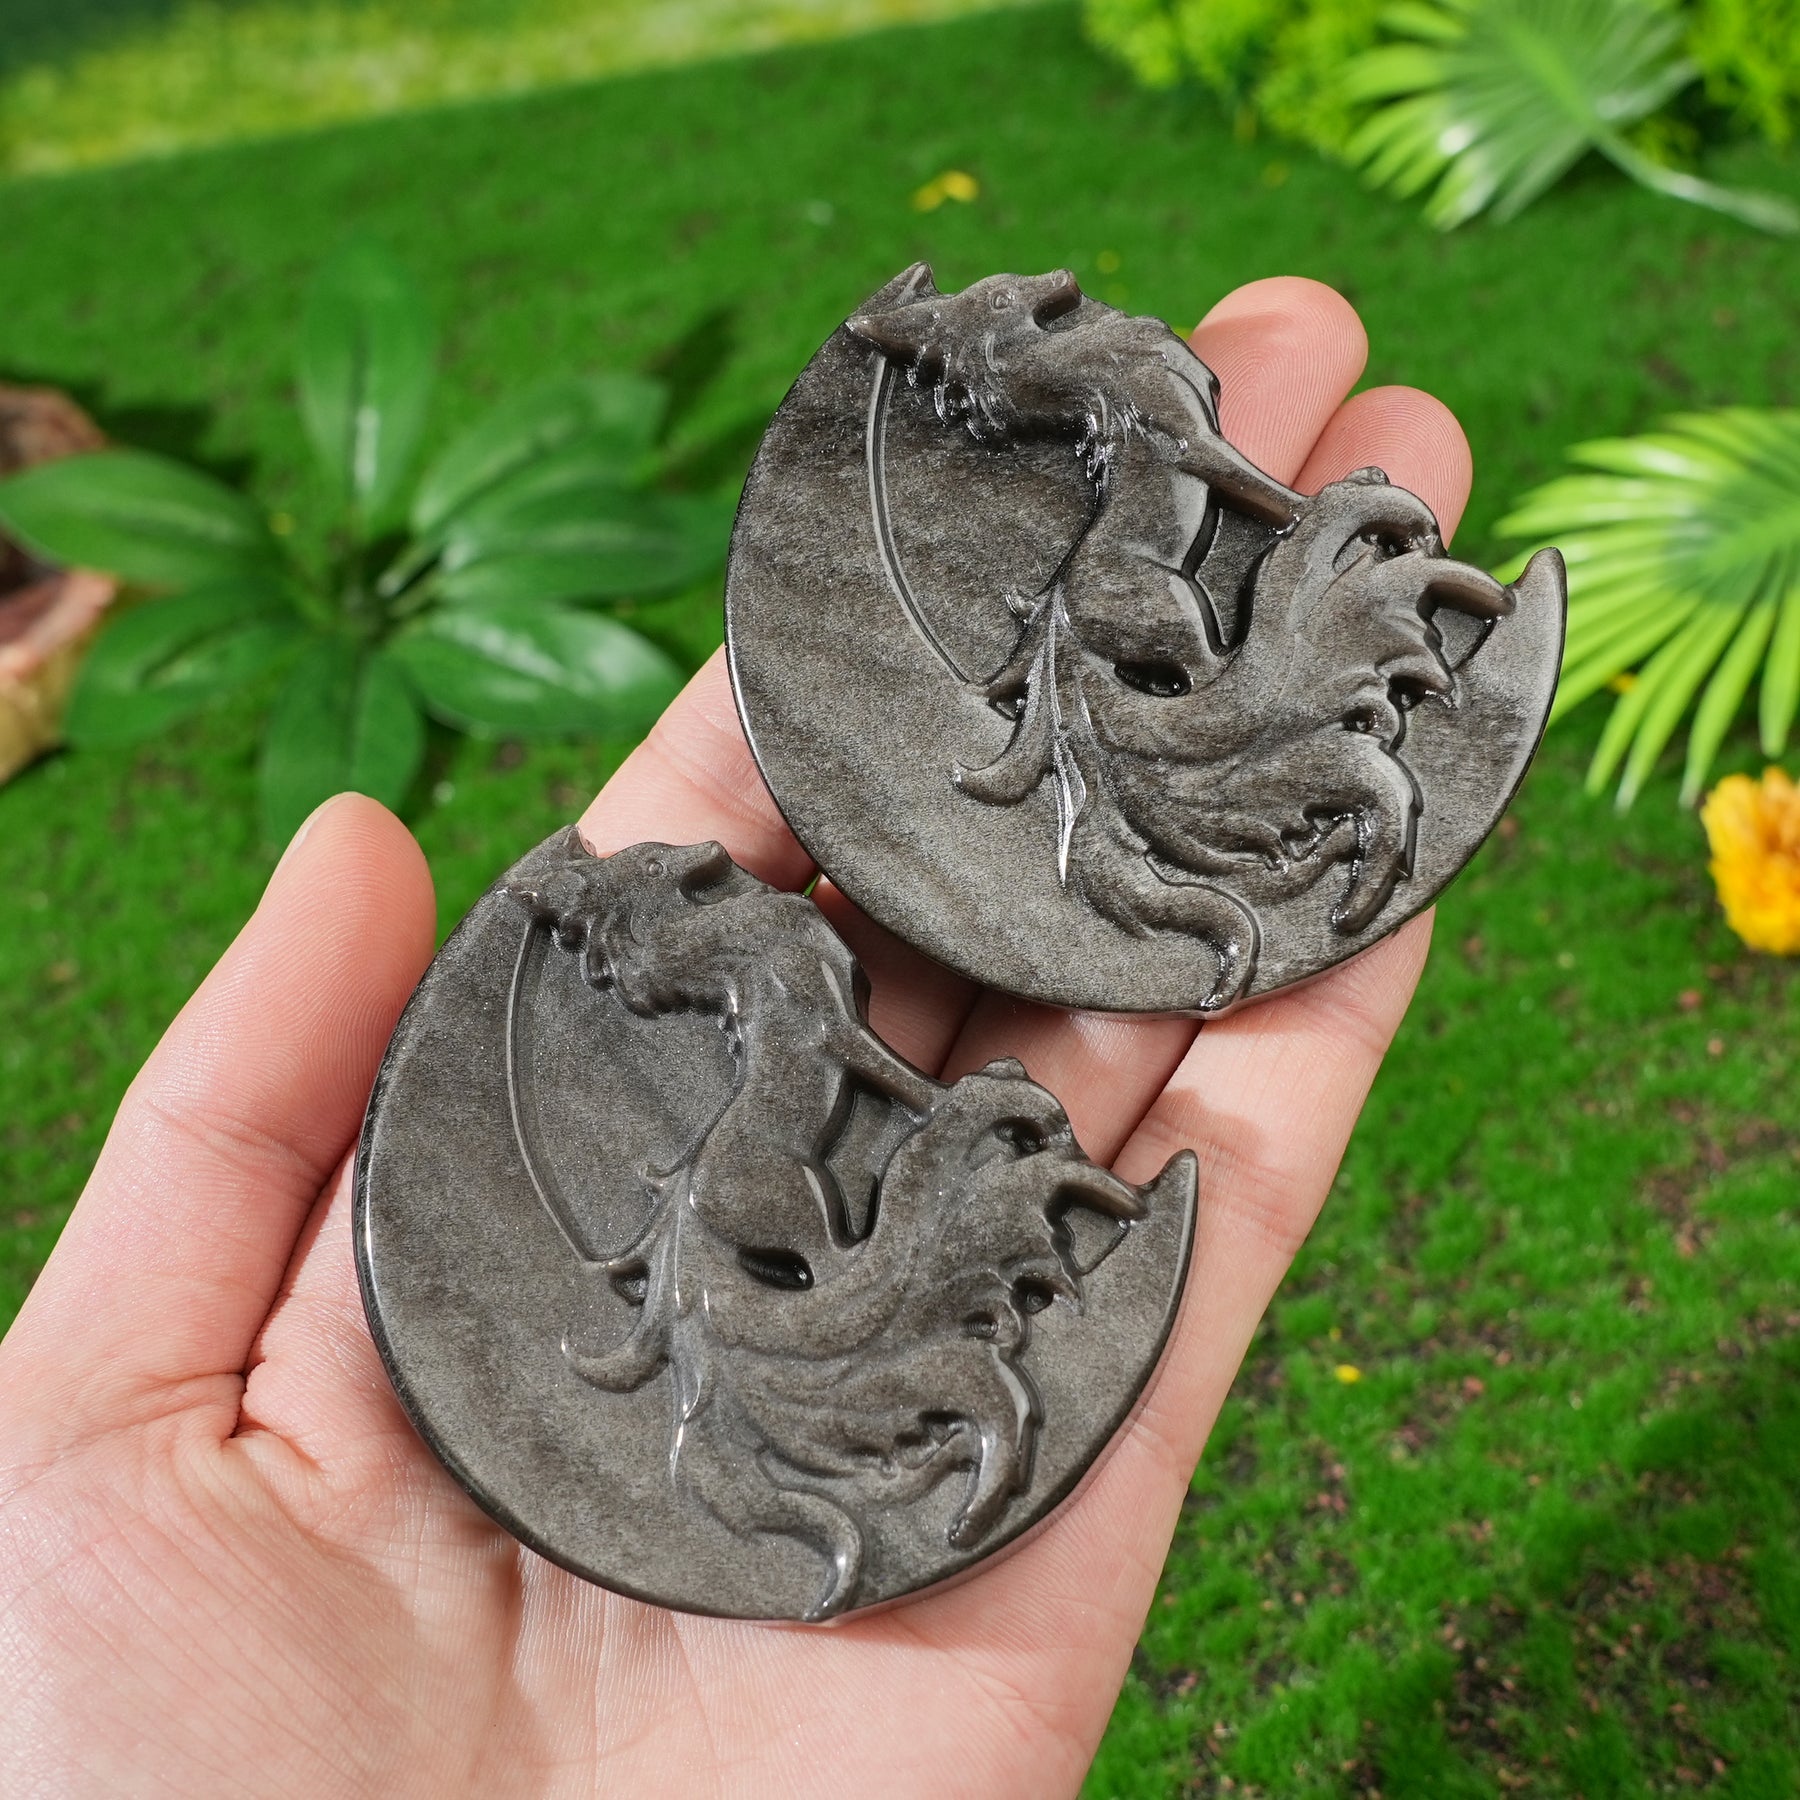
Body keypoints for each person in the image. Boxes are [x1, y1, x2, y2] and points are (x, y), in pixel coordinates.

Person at [0, 278, 1471, 1797]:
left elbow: (856, 1062)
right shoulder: (763, 1010)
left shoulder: (779, 980)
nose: (708, 863)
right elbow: (845, 1065)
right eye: (685, 897)